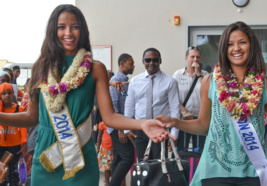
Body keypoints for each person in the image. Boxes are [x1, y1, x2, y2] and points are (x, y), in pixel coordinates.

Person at [0, 5, 169, 186]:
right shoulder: (41, 68)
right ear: (52, 31)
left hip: (81, 158)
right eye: (61, 27)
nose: (68, 33)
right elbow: (31, 117)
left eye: (75, 26)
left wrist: (142, 124)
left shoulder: (95, 69)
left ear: (83, 30)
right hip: (47, 159)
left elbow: (110, 117)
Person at [156, 21, 267, 186]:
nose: (236, 48)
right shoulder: (210, 82)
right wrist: (175, 122)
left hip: (253, 171)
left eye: (242, 42)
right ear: (224, 49)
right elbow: (203, 125)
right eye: (230, 44)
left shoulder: (266, 84)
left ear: (252, 46)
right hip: (215, 170)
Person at [124, 47, 180, 161]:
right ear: (143, 61)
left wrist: (174, 134)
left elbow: (175, 109)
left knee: (160, 167)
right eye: (148, 60)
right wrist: (127, 129)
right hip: (140, 130)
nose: (151, 63)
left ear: (160, 61)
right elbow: (129, 106)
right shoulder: (135, 81)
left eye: (155, 60)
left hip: (160, 130)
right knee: (143, 166)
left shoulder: (170, 81)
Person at [173, 46, 208, 155]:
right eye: (192, 56)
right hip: (184, 119)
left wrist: (198, 74)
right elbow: (173, 97)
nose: (195, 59)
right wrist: (184, 111)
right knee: (181, 151)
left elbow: (208, 91)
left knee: (199, 151)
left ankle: (197, 171)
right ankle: (182, 171)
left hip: (200, 119)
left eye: (197, 57)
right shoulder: (177, 75)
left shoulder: (205, 75)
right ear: (186, 58)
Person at [107, 53, 135, 186]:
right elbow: (114, 108)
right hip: (118, 128)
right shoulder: (115, 81)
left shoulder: (126, 81)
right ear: (122, 64)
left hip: (122, 126)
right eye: (131, 63)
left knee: (118, 159)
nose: (133, 66)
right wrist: (121, 130)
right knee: (128, 158)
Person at [0, 83, 27, 186]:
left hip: (14, 146)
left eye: (9, 93)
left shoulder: (18, 109)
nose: (7, 96)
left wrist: (24, 143)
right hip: (1, 145)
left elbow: (23, 126)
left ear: (13, 95)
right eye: (4, 93)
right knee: (1, 171)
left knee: (13, 171)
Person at [96, 121, 113, 186]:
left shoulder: (114, 123)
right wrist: (97, 148)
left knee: (112, 166)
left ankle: (109, 180)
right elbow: (99, 136)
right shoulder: (102, 124)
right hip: (106, 148)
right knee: (107, 167)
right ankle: (107, 182)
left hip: (114, 148)